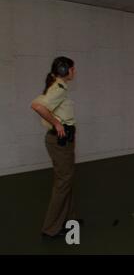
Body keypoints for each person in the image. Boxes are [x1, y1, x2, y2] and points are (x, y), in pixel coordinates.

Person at [31, 56, 78, 237]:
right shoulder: (57, 89)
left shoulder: (57, 86)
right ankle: (51, 228)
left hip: (64, 141)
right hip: (60, 142)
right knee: (63, 182)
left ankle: (68, 219)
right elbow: (37, 106)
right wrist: (57, 124)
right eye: (73, 68)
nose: (75, 71)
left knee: (67, 179)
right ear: (66, 70)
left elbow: (42, 102)